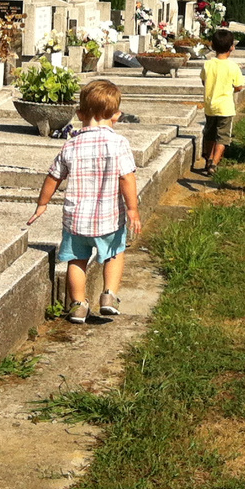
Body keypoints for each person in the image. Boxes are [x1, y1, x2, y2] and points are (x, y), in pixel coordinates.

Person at [27, 79, 141, 323]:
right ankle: (109, 295)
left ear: (78, 114)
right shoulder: (119, 143)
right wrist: (132, 209)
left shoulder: (71, 144)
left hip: (76, 220)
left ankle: (78, 305)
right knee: (114, 253)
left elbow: (53, 177)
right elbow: (126, 178)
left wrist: (42, 204)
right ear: (117, 116)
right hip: (109, 218)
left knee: (76, 261)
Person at [198, 28, 245, 175]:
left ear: (212, 45)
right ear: (232, 47)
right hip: (225, 107)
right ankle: (214, 162)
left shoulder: (208, 64)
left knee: (210, 133)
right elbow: (239, 86)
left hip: (210, 106)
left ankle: (207, 157)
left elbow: (203, 81)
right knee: (223, 136)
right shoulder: (233, 66)